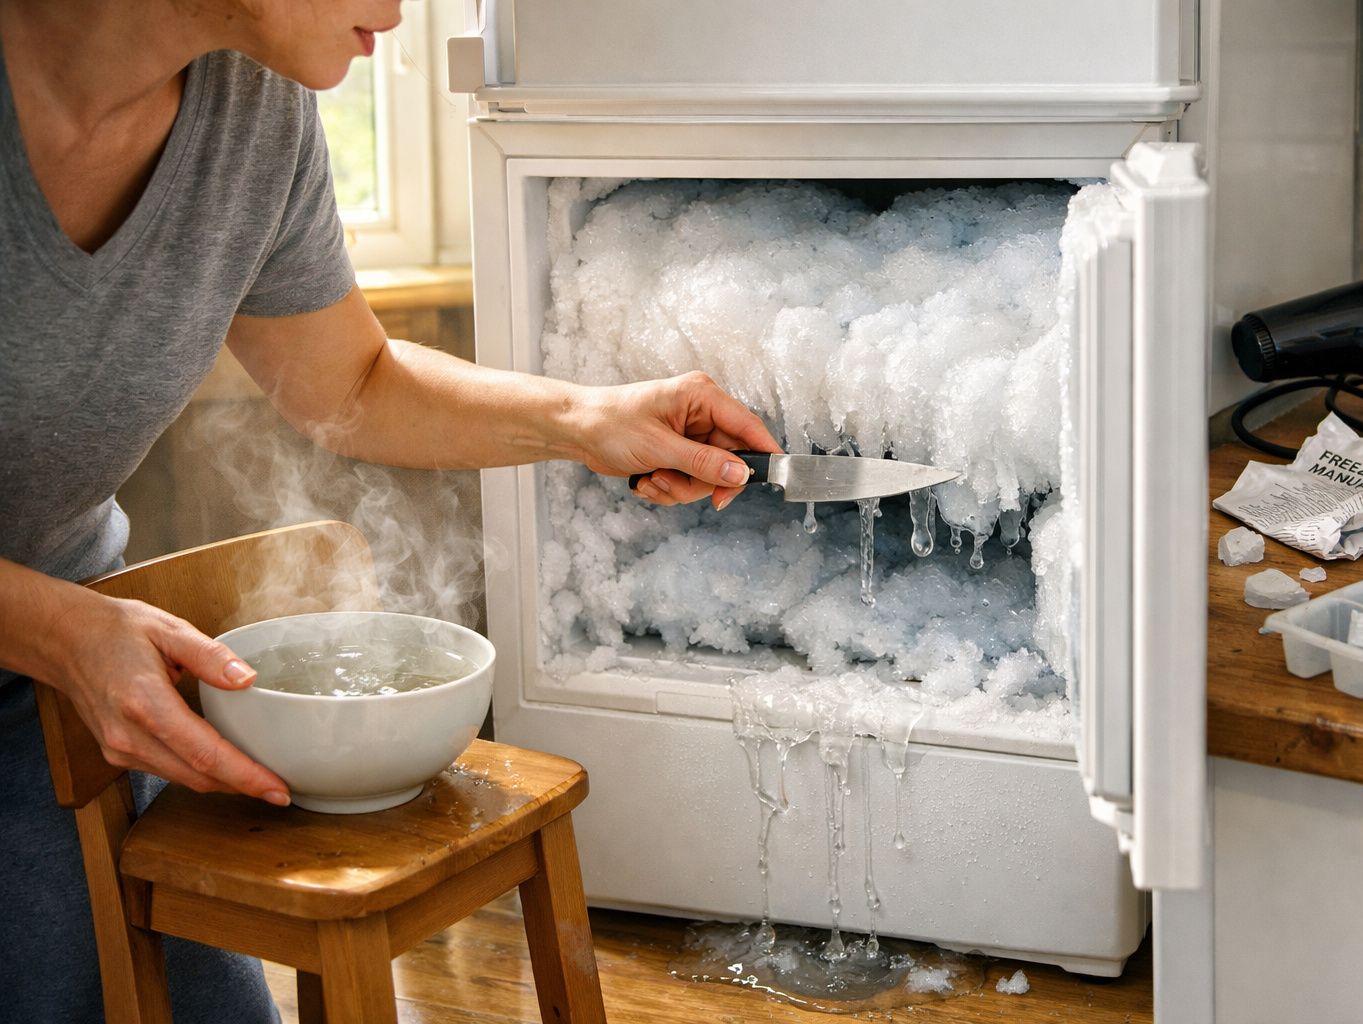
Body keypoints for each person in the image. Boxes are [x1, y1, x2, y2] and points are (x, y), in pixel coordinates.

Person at [0, 1, 779, 1019]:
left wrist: (588, 420)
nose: (403, 10)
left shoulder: (256, 113)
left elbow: (352, 382)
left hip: (49, 685)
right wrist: (59, 627)